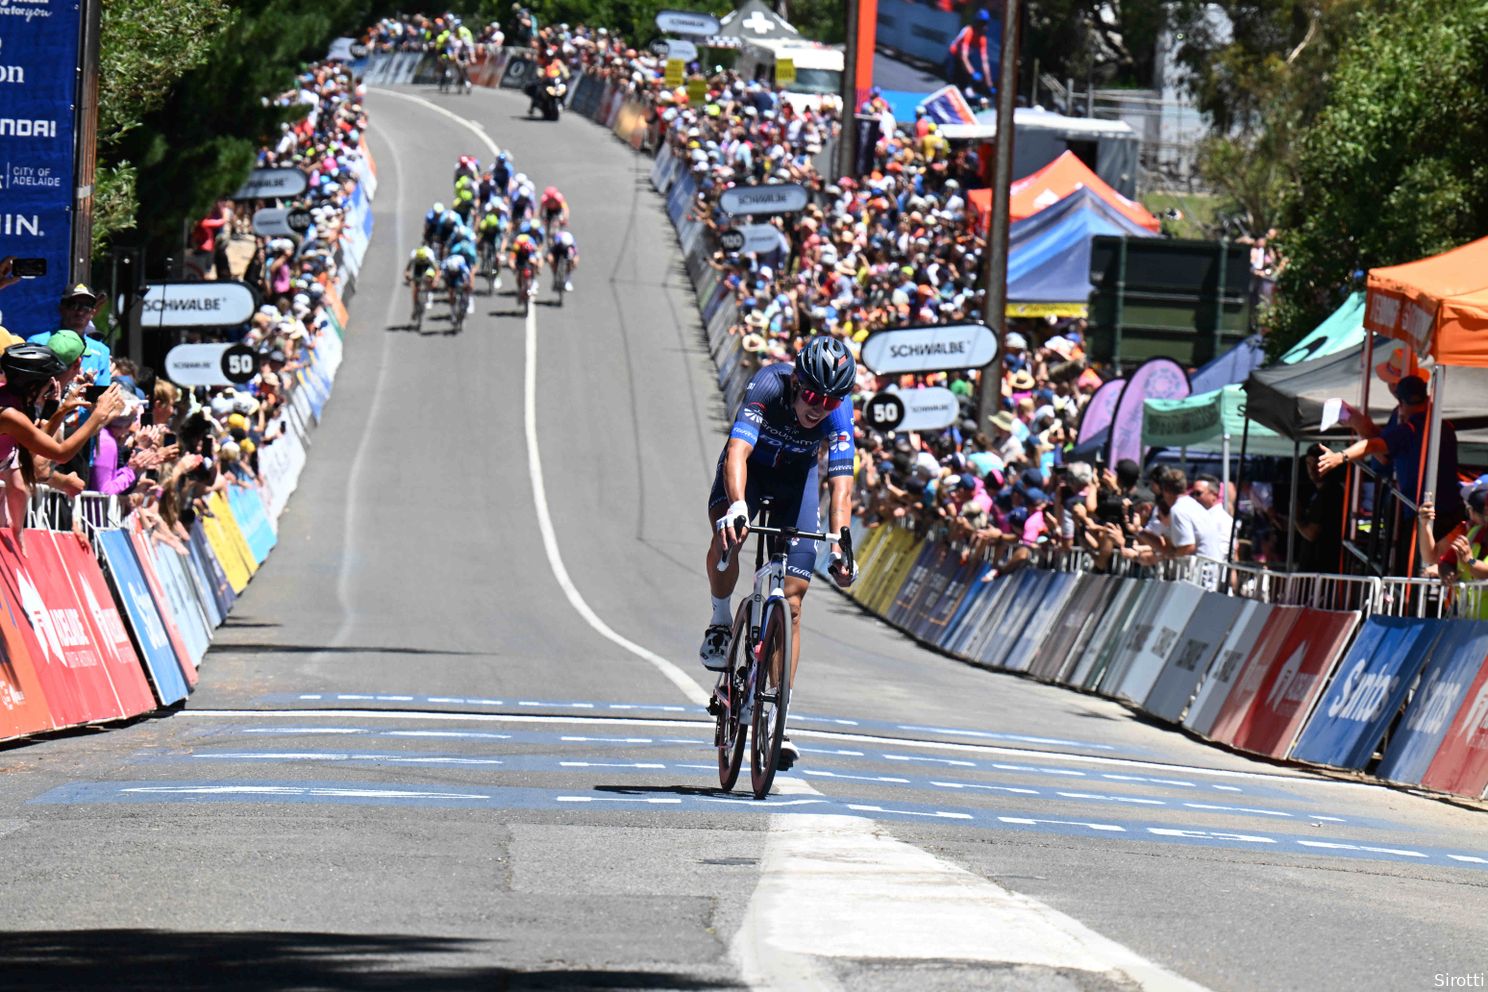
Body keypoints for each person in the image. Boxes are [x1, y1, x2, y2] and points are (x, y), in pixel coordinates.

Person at [701, 337, 860, 772]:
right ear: (796, 383)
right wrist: (736, 506)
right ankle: (720, 620)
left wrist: (841, 540)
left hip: (797, 481)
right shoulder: (768, 385)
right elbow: (738, 450)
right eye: (811, 395)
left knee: (792, 601)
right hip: (749, 474)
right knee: (728, 536)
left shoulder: (838, 414)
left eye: (829, 401)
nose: (818, 406)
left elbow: (840, 485)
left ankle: (777, 716)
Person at [404, 244, 440, 318]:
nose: (422, 261)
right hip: (418, 266)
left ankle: (429, 293)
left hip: (428, 265)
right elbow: (407, 270)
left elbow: (437, 270)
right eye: (420, 259)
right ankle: (415, 308)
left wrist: (435, 280)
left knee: (429, 276)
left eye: (423, 259)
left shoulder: (430, 255)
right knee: (415, 288)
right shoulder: (413, 256)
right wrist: (408, 278)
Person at [547, 229, 577, 293]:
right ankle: (555, 275)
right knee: (551, 260)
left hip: (567, 251)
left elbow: (576, 254)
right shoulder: (557, 241)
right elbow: (550, 251)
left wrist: (573, 262)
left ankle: (568, 280)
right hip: (557, 249)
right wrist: (550, 258)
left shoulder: (571, 242)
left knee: (572, 262)